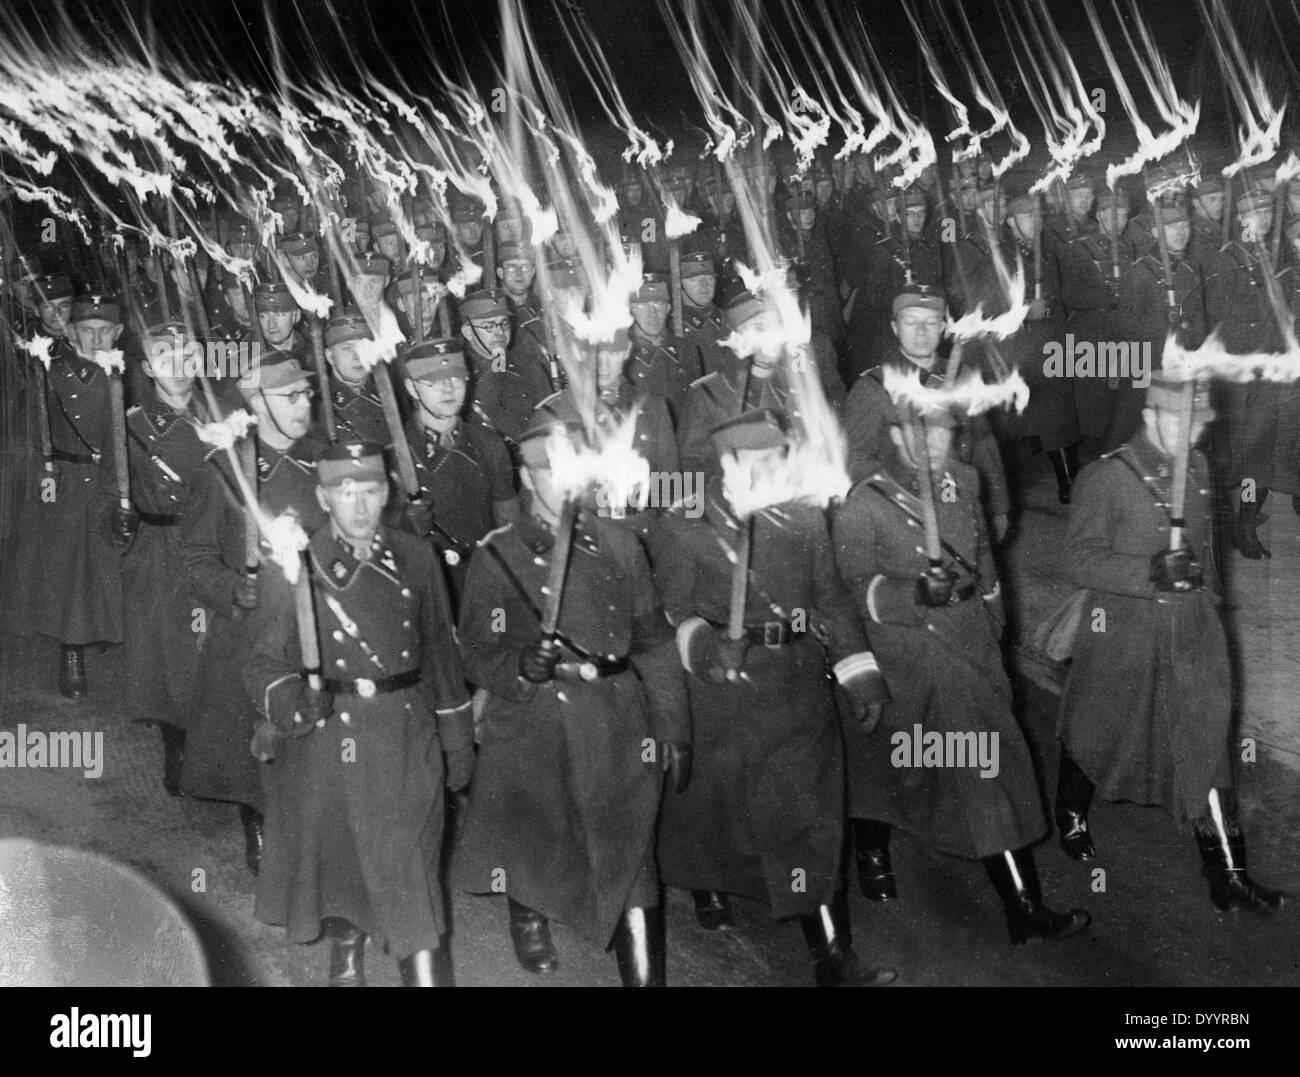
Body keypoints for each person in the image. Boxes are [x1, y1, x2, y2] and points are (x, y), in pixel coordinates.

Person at [832, 401, 1091, 945]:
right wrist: (911, 594)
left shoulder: (967, 480)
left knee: (987, 770)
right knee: (898, 769)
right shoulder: (866, 501)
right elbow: (851, 589)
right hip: (906, 658)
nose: (929, 442)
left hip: (967, 650)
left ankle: (1024, 908)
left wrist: (992, 623)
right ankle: (871, 847)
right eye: (915, 430)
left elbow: (985, 562)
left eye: (941, 430)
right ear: (895, 436)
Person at [653, 408, 895, 987]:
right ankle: (709, 884)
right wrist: (707, 647)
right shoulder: (686, 522)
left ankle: (833, 954)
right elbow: (669, 611)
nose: (771, 472)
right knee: (720, 810)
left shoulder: (806, 517)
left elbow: (832, 599)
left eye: (776, 460)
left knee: (808, 813)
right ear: (725, 465)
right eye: (756, 463)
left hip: (795, 683)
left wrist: (860, 672)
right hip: (722, 692)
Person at [453, 405, 690, 987]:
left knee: (632, 853)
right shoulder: (495, 555)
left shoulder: (620, 546)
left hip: (614, 715)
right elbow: (476, 651)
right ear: (527, 478)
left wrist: (673, 726)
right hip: (533, 717)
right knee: (536, 832)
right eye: (546, 474)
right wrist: (519, 666)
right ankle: (527, 912)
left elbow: (655, 643)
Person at [1055, 374, 1290, 912]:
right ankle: (1070, 809)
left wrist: (1214, 608)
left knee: (1206, 737)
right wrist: (1148, 571)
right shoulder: (1108, 476)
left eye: (1197, 424)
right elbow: (1077, 559)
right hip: (1123, 632)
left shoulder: (1202, 469)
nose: (1188, 434)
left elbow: (1208, 555)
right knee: (1101, 726)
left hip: (1191, 628)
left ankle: (1227, 874)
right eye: (1177, 421)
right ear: (1149, 415)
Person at [244, 438, 474, 986]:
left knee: (410, 872)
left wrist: (457, 741)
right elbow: (260, 660)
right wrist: (294, 701)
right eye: (345, 493)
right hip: (328, 738)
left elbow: (441, 652)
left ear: (387, 491)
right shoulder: (297, 560)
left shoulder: (417, 557)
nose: (360, 505)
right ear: (323, 499)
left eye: (370, 490)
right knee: (346, 856)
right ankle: (347, 944)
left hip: (404, 735)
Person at [180, 352, 327, 874]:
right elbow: (195, 557)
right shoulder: (226, 468)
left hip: (313, 621)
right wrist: (228, 590)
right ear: (257, 404)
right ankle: (256, 821)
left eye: (307, 394)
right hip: (249, 624)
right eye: (290, 397)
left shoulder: (325, 462)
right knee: (247, 729)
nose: (304, 404)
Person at [110, 322, 220, 794]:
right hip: (159, 549)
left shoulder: (223, 416)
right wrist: (115, 519)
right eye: (166, 360)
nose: (179, 370)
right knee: (168, 654)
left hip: (214, 549)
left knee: (213, 650)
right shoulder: (129, 424)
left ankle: (218, 745)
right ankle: (177, 741)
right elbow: (105, 493)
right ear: (149, 368)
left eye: (187, 358)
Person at [5, 285, 124, 697]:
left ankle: (107, 631)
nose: (95, 339)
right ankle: (71, 654)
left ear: (118, 332)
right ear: (71, 333)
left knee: (109, 562)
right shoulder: (50, 372)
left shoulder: (125, 376)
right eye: (86, 330)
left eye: (104, 330)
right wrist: (42, 479)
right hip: (67, 482)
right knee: (72, 572)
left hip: (111, 479)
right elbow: (28, 433)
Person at [842, 285, 1010, 541]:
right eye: (910, 322)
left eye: (931, 323)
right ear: (894, 327)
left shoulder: (962, 376)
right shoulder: (874, 387)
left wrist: (998, 508)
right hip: (903, 517)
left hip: (960, 503)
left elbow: (982, 444)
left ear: (943, 327)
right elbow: (856, 459)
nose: (921, 332)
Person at [401, 338, 517, 605]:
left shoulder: (488, 445)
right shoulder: (395, 457)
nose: (448, 388)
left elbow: (508, 523)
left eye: (457, 377)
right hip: (428, 593)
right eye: (434, 381)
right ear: (412, 388)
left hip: (486, 584)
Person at [625, 273, 704, 420]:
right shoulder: (624, 355)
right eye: (642, 306)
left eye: (658, 305)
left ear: (668, 308)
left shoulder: (687, 350)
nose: (652, 313)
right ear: (631, 310)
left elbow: (699, 407)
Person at [320, 311, 390, 447]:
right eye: (347, 348)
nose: (357, 356)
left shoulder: (392, 396)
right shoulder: (319, 406)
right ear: (330, 357)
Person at [678, 250, 733, 376]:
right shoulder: (673, 329)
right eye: (694, 279)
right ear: (679, 283)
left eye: (709, 278)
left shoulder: (731, 320)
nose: (704, 285)